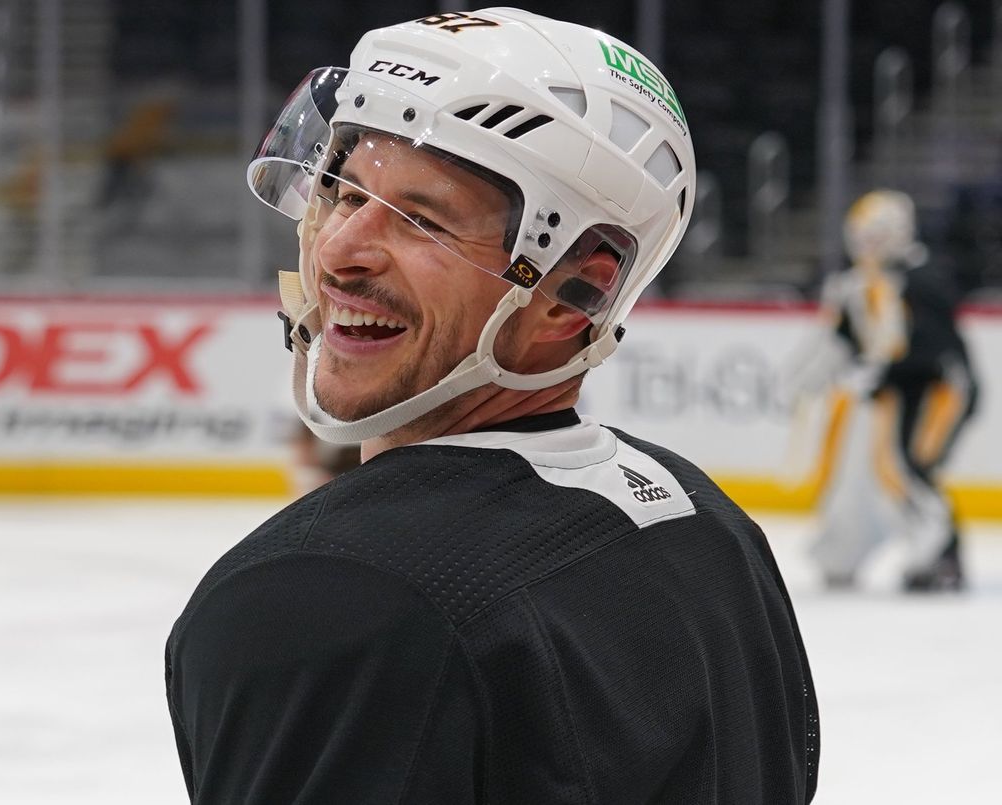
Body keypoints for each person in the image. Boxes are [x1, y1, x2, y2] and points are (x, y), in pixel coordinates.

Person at [166, 9, 818, 803]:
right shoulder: (708, 525)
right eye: (341, 190)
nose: (337, 252)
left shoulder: (322, 593)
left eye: (421, 220)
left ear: (573, 295)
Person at [792, 190, 978, 591]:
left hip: (931, 391)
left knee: (907, 470)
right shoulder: (857, 284)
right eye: (862, 237)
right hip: (888, 394)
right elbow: (843, 338)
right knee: (857, 473)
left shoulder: (922, 280)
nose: (867, 246)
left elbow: (933, 351)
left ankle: (939, 555)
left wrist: (881, 373)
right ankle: (843, 551)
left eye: (876, 236)